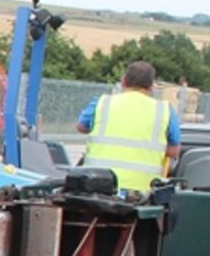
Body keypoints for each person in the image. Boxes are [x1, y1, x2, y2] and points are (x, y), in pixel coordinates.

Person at [76, 61, 182, 191]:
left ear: (123, 81)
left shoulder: (102, 103)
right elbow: (174, 150)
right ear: (151, 86)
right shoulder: (166, 110)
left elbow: (81, 127)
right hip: (142, 192)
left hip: (97, 187)